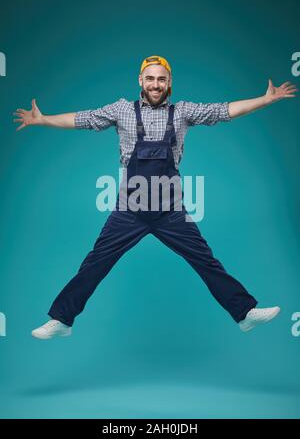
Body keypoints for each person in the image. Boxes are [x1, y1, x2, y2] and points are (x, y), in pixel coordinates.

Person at [14, 56, 297, 339]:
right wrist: (43, 120)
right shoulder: (121, 110)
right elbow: (81, 119)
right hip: (130, 210)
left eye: (161, 79)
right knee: (96, 262)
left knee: (206, 260)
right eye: (150, 78)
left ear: (169, 82)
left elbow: (223, 111)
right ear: (140, 80)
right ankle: (62, 320)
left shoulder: (182, 112)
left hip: (170, 211)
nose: (155, 84)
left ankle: (244, 313)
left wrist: (265, 100)